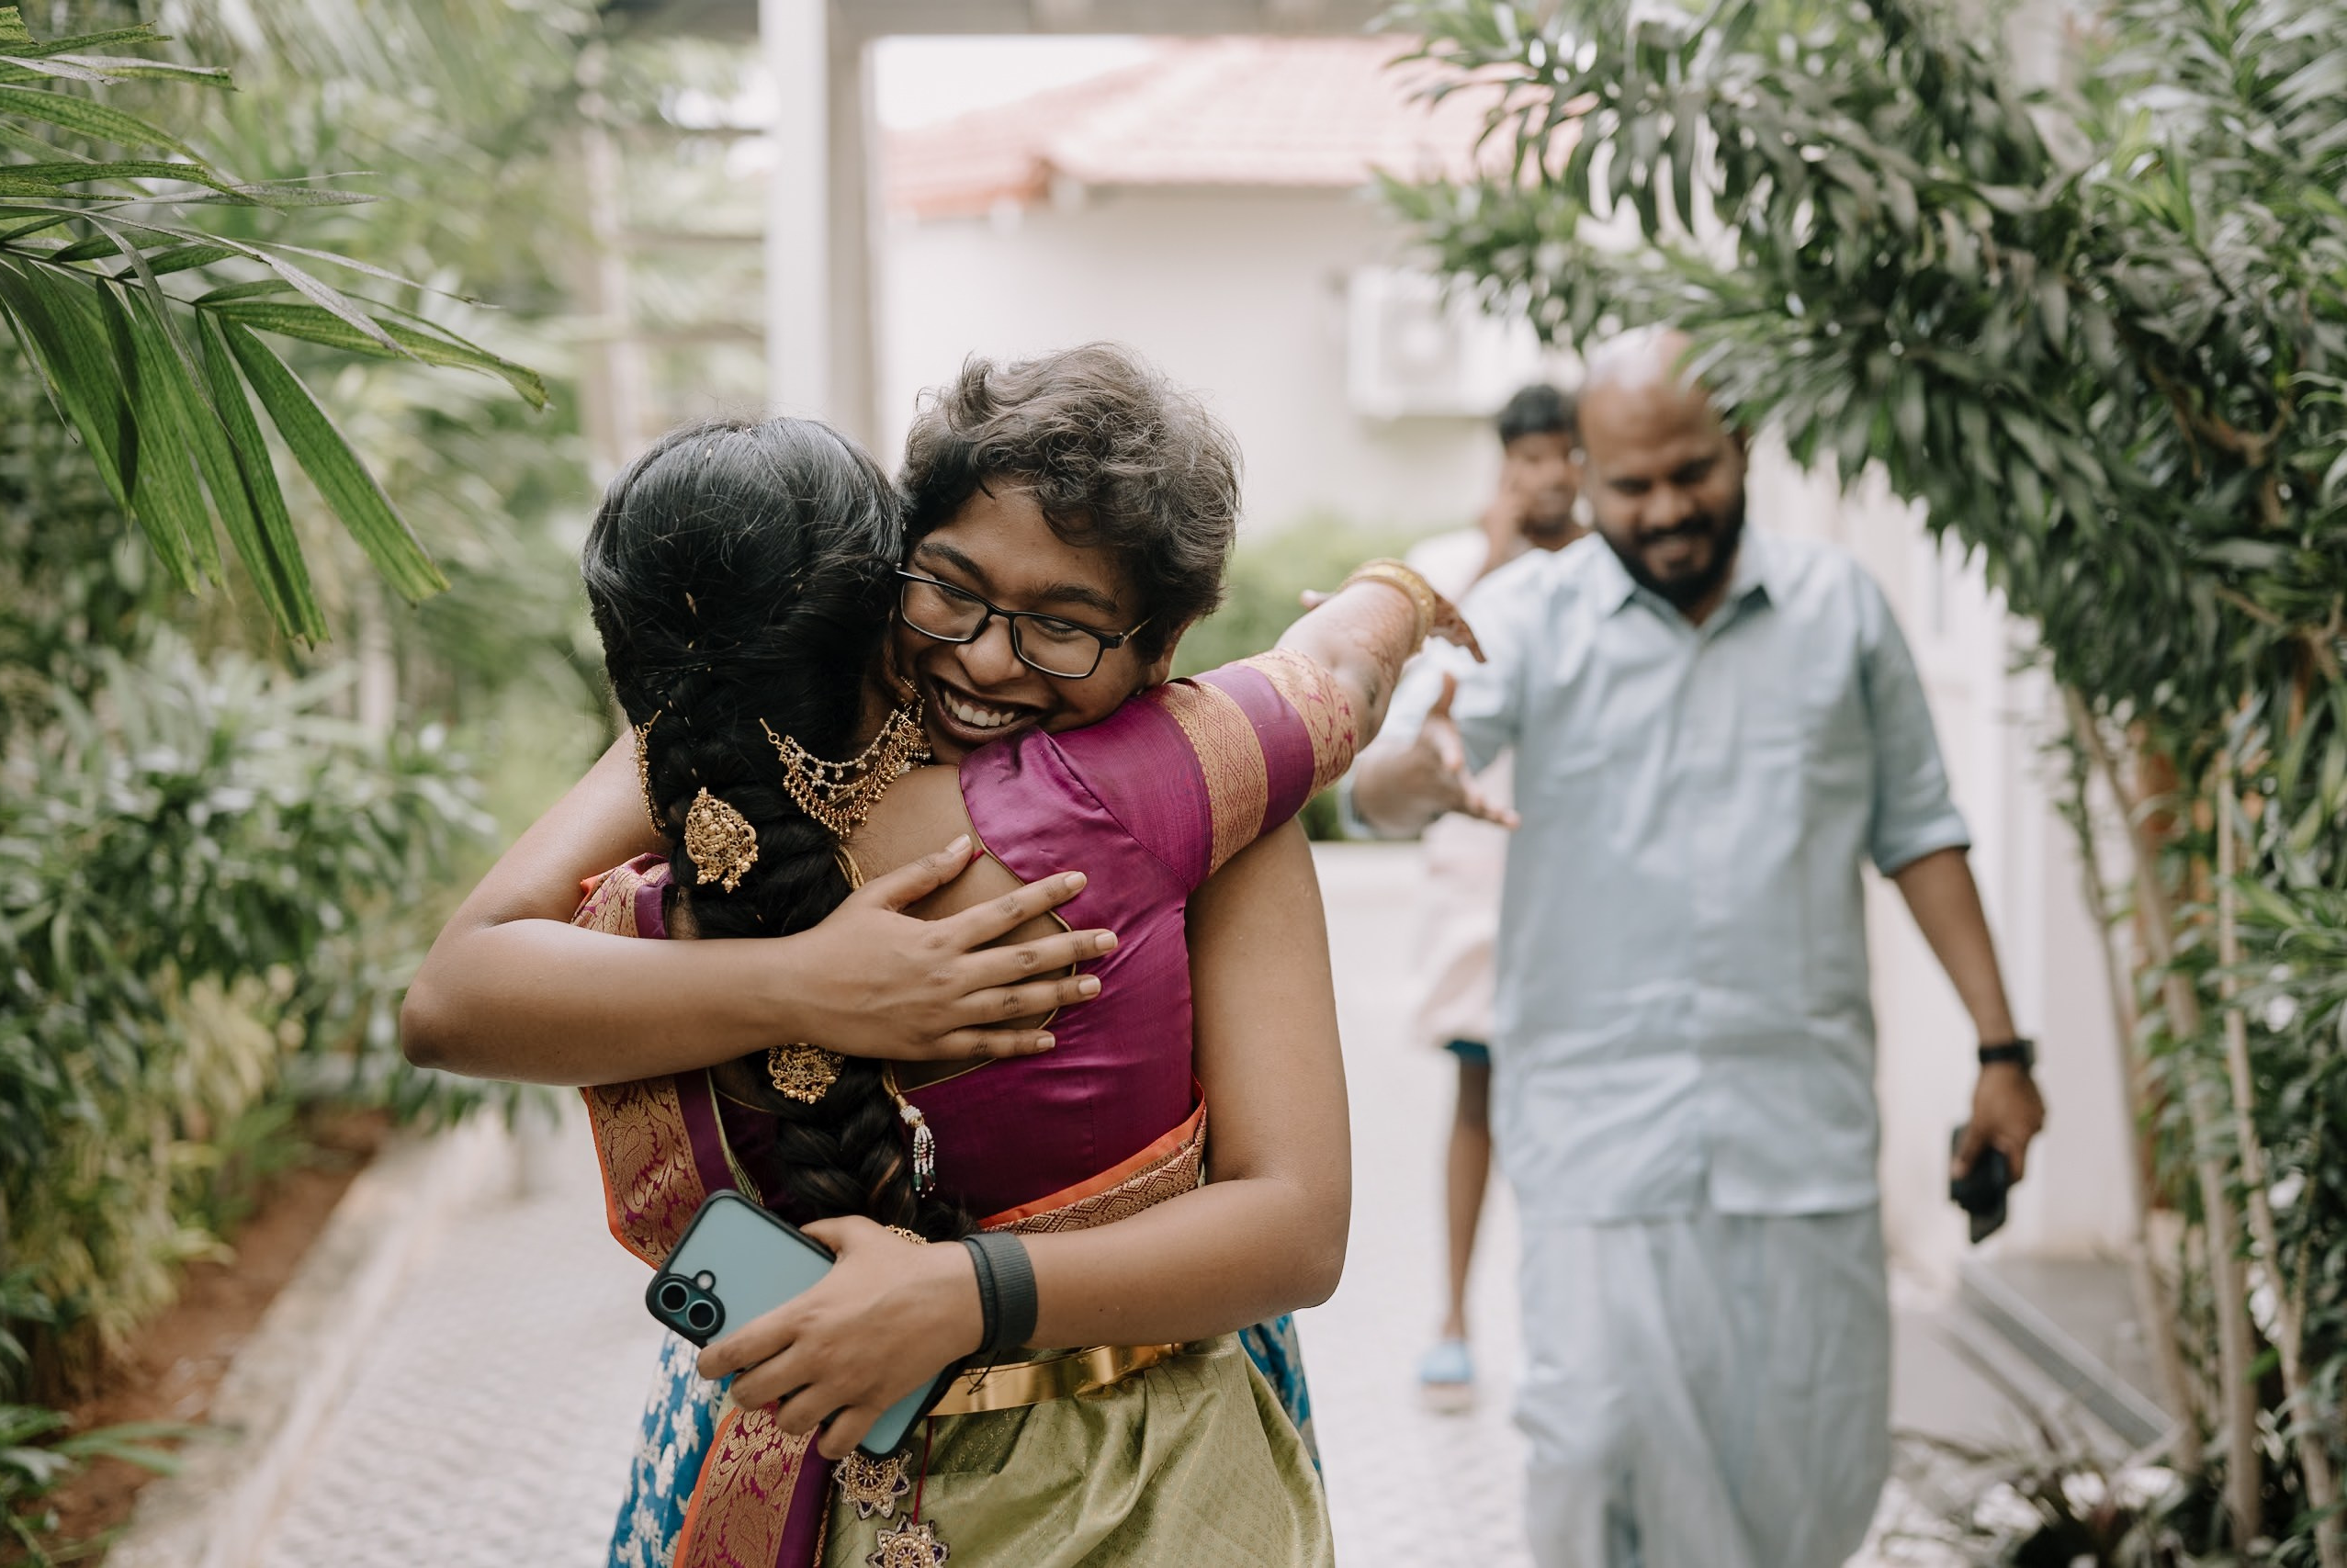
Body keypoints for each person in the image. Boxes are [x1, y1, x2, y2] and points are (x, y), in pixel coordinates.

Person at [402, 347, 1471, 1565]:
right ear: (887, 567)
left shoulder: (1216, 811)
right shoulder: (746, 735)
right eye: (948, 590)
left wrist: (955, 1292)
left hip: (1127, 1447)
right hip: (798, 1444)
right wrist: (814, 982)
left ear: (1161, 643)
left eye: (1061, 627)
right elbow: (454, 998)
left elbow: (1296, 1227)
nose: (984, 657)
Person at [1348, 328, 2048, 1568]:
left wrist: (2002, 1048)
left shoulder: (1843, 614)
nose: (1667, 509)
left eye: (1694, 473)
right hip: (1595, 1133)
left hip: (1802, 1135)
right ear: (1583, 473)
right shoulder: (1526, 617)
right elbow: (1388, 788)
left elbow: (1923, 834)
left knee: (1809, 1468)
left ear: (1744, 445)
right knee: (1588, 1446)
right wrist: (1417, 770)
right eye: (1632, 484)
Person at [1403, 382, 1585, 1410]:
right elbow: (1435, 693)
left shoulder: (1619, 565)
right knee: (1476, 1090)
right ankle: (1452, 1320)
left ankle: (1555, 1325)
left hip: (1588, 880)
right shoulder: (1450, 566)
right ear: (1502, 466)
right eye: (1530, 460)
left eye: (1565, 458)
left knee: (1572, 1107)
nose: (1550, 477)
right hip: (1485, 881)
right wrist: (1501, 555)